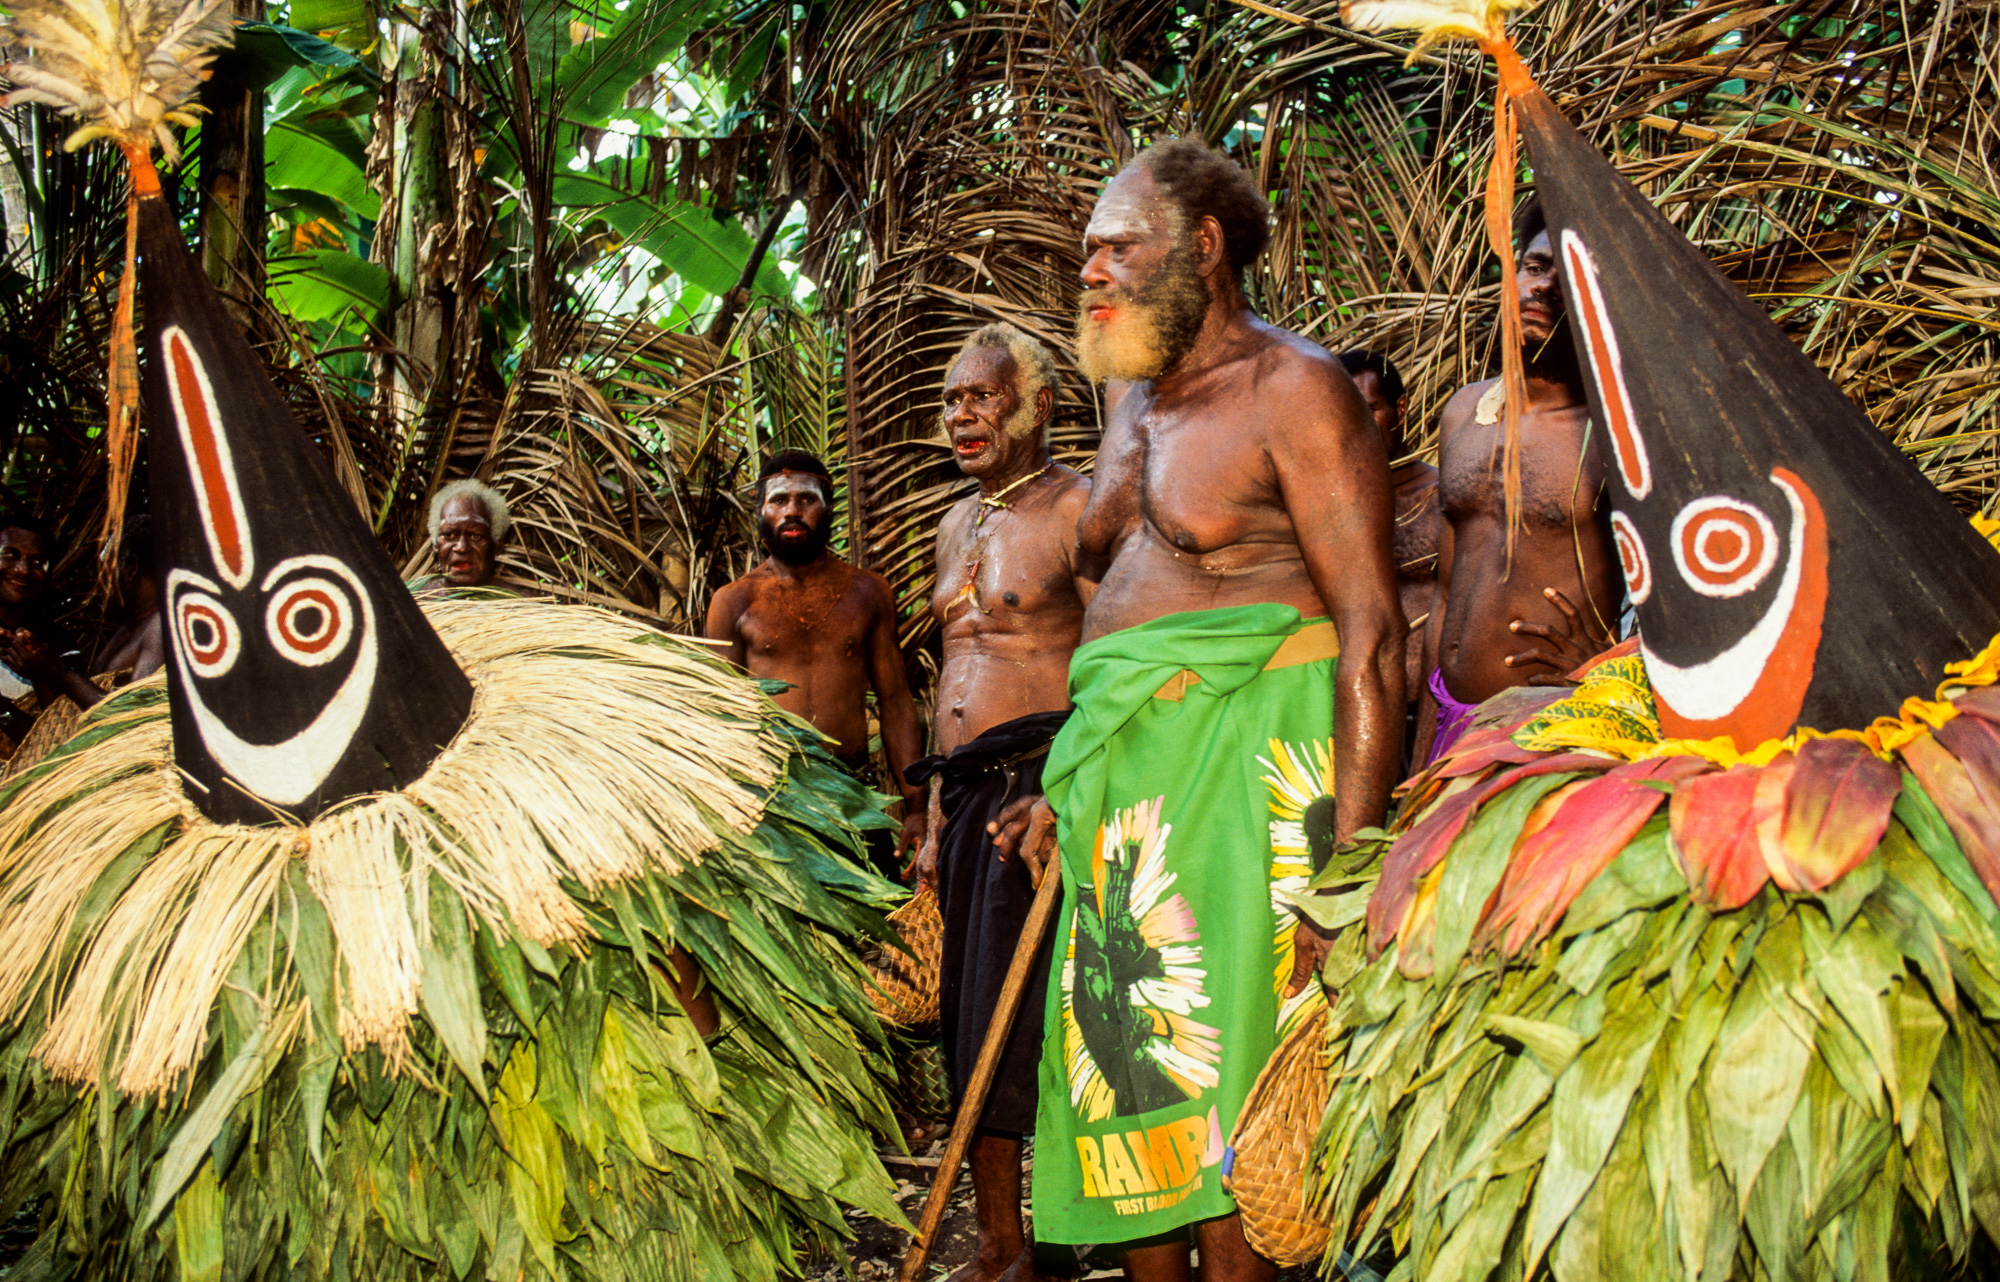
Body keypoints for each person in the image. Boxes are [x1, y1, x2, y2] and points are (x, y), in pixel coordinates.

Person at [993, 137, 1404, 1281]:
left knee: (1237, 1096)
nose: (1090, 270)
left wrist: (1346, 874)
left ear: (1206, 248)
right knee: (1137, 1087)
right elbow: (1116, 613)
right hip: (1130, 789)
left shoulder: (1296, 393)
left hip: (1249, 770)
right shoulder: (1128, 396)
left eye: (1118, 246)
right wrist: (1066, 781)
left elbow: (1372, 634)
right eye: (1085, 251)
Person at [906, 323, 1096, 1282]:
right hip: (969, 797)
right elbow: (951, 671)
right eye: (951, 400)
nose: (961, 415)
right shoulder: (953, 521)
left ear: (1040, 403)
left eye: (982, 395)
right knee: (974, 1024)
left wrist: (1074, 790)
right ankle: (998, 1245)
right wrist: (936, 826)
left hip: (1045, 792)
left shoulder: (1080, 511)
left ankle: (1061, 1241)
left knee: (1047, 1027)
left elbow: (1112, 658)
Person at [1413, 201, 1622, 765]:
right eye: (1534, 267)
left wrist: (1616, 662)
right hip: (1450, 716)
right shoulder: (1464, 412)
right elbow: (1447, 592)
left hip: (1552, 727)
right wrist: (1423, 746)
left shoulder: (1616, 433)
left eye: (1568, 278)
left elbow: (1685, 586)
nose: (1544, 288)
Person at [705, 451, 927, 873]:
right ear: (761, 511)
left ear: (828, 508)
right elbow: (721, 715)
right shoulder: (734, 601)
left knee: (874, 928)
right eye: (778, 500)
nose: (792, 511)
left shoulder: (867, 592)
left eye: (806, 500)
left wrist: (916, 806)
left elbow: (896, 701)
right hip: (771, 798)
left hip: (853, 792)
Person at [1339, 349, 1438, 760]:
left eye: (1370, 409)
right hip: (1350, 710)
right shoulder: (1325, 505)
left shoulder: (1440, 496)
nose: (1357, 425)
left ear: (1399, 409)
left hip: (1427, 708)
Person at [0, 516, 105, 726]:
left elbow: (61, 734)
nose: (23, 570)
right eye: (10, 555)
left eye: (38, 562)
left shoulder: (57, 646)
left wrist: (40, 673)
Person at [90, 514, 165, 682]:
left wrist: (61, 673)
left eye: (106, 572)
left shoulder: (159, 625)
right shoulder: (130, 626)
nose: (99, 584)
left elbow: (137, 705)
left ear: (131, 569)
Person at [415, 479, 519, 596]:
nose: (462, 548)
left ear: (497, 546)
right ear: (435, 544)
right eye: (449, 535)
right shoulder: (413, 604)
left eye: (475, 536)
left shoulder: (522, 606)